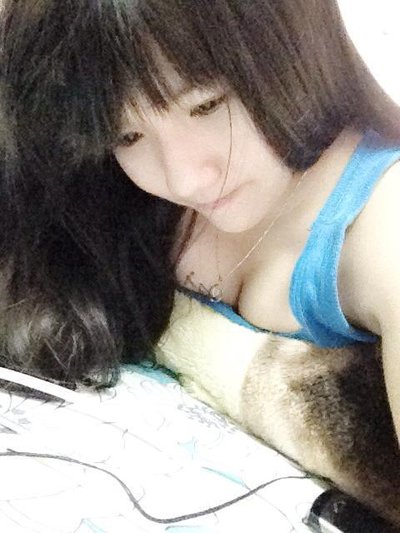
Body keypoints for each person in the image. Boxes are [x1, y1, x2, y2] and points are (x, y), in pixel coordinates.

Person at [1, 1, 400, 442]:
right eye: (126, 136)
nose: (184, 181)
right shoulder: (105, 186)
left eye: (206, 105)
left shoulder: (383, 219)